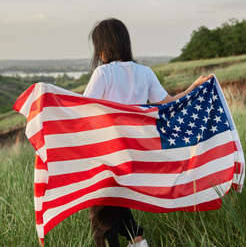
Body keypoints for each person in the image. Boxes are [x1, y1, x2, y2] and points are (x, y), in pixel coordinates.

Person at [83, 18, 212, 247]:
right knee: (121, 213)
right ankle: (139, 241)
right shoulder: (145, 73)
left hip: (107, 158)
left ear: (103, 48)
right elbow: (168, 103)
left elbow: (82, 113)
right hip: (133, 158)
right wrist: (193, 89)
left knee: (102, 224)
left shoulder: (103, 74)